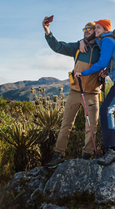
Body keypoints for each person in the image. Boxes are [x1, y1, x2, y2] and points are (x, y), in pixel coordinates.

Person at [42, 16, 102, 167]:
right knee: (66, 125)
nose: (86, 31)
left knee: (91, 127)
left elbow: (109, 61)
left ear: (95, 31)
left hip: (93, 94)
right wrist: (47, 30)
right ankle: (58, 154)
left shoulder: (102, 49)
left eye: (89, 29)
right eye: (84, 29)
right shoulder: (78, 46)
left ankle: (87, 155)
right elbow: (58, 47)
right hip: (75, 91)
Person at [75, 19, 115, 166]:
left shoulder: (107, 40)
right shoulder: (112, 40)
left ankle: (111, 150)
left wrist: (83, 72)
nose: (96, 30)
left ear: (106, 29)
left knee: (106, 109)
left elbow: (101, 62)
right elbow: (114, 61)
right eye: (96, 29)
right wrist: (108, 71)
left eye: (99, 28)